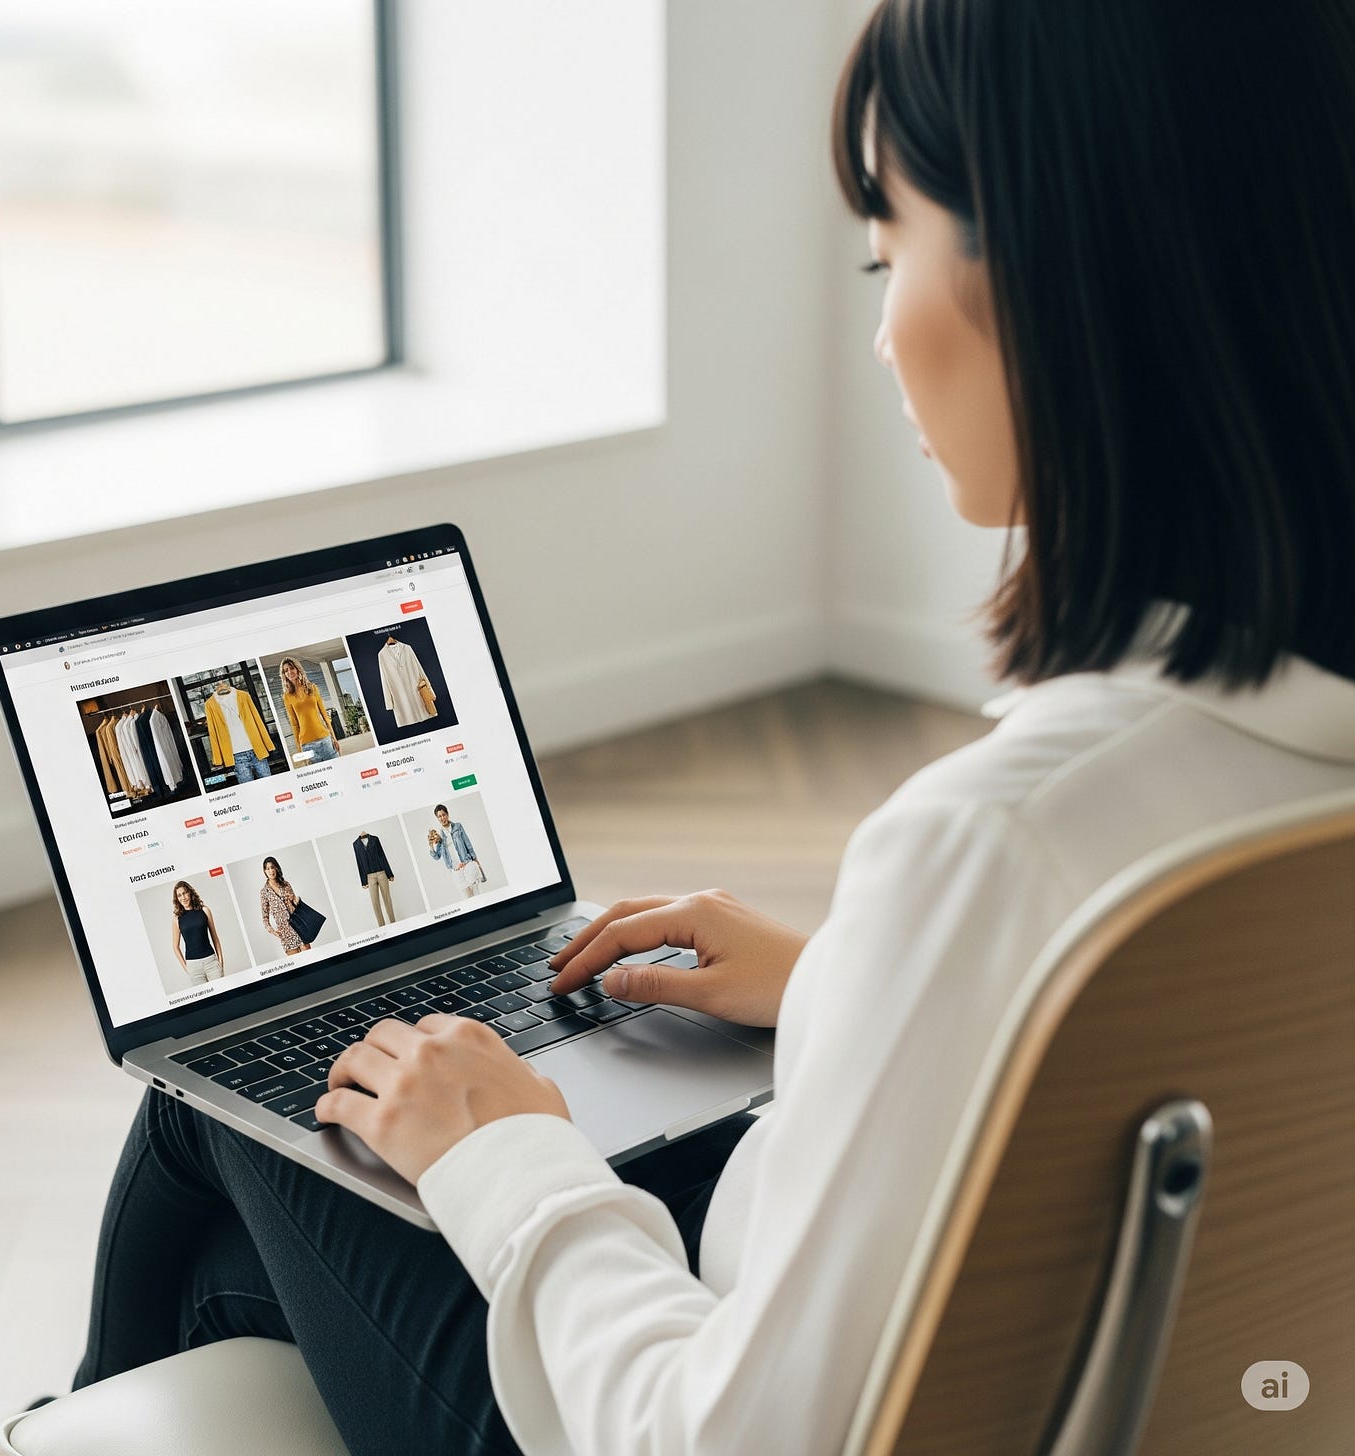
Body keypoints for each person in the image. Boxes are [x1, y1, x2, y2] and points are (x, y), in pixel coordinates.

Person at [66, 3, 1355, 1453]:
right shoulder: (1262, 777)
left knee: (231, 1104)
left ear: (1062, 274)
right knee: (264, 1247)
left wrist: (510, 1156)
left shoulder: (1002, 847)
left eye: (891, 250)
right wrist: (850, 990)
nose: (878, 332)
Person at [279, 656, 341, 763]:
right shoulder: (287, 696)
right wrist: (300, 750)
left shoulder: (313, 688)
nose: (289, 672)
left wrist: (334, 739)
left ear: (297, 669)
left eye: (291, 668)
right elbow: (294, 724)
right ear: (284, 675)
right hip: (307, 745)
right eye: (285, 670)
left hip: (325, 739)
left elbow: (325, 715)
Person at [170, 880, 226, 986]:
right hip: (193, 967)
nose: (183, 897)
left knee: (223, 995)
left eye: (185, 893)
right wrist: (187, 968)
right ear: (177, 899)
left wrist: (221, 962)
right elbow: (175, 947)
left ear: (190, 893)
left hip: (211, 962)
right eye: (179, 895)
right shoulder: (177, 919)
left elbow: (215, 938)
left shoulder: (205, 910)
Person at [426, 804, 487, 898]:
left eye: (443, 815)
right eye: (439, 816)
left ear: (447, 814)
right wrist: (431, 846)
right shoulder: (440, 836)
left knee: (477, 894)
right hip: (456, 871)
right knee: (467, 898)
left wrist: (475, 859)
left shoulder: (458, 826)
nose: (442, 818)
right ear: (437, 818)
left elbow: (467, 843)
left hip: (467, 864)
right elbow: (437, 856)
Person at [259, 855, 310, 955]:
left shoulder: (286, 884)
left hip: (299, 927)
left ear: (276, 868)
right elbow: (265, 918)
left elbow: (296, 905)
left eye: (272, 867)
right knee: (298, 966)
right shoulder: (264, 892)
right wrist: (273, 931)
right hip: (285, 934)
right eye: (268, 868)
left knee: (310, 958)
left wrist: (296, 899)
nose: (271, 871)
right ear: (265, 871)